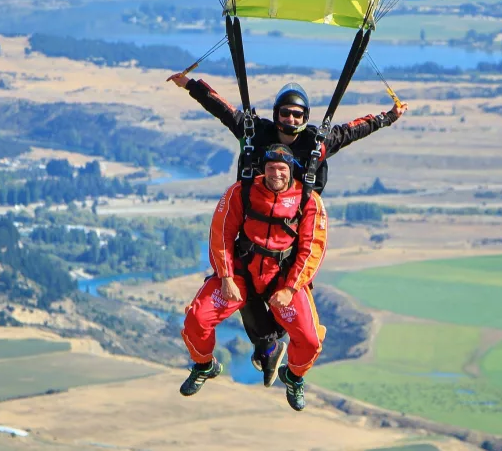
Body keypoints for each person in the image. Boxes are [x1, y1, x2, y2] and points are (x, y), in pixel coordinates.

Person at [168, 72, 407, 384]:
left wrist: (389, 116)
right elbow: (223, 109)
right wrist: (190, 85)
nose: (291, 119)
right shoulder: (256, 132)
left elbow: (355, 129)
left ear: (304, 117)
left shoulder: (317, 142)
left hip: (290, 236)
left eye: (297, 114)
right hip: (253, 231)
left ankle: (273, 351)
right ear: (276, 115)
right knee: (248, 292)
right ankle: (263, 350)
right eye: (285, 113)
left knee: (285, 311)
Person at [179, 145, 327, 411]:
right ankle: (204, 365)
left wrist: (291, 289)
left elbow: (311, 249)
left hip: (282, 279)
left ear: (291, 170)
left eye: (282, 169)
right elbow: (221, 233)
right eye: (271, 168)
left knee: (310, 339)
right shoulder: (243, 191)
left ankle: (293, 377)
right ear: (264, 168)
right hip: (240, 272)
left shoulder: (307, 199)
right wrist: (225, 277)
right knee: (196, 319)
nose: (276, 174)